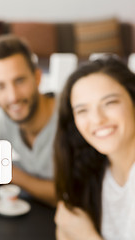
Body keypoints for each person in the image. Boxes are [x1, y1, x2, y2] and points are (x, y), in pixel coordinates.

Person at [0, 34, 57, 207]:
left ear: (37, 78)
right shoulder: (2, 119)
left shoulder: (71, 117)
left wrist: (9, 172)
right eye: (0, 86)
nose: (13, 97)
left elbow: (74, 196)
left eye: (20, 81)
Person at [54, 56, 135, 240]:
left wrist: (86, 235)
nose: (97, 119)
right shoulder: (95, 171)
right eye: (82, 110)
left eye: (110, 103)